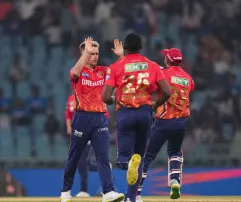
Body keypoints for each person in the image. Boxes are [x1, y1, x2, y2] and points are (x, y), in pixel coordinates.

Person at [102, 33, 171, 202]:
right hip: (145, 113)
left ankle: (128, 165)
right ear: (141, 47)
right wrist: (156, 104)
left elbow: (105, 97)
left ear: (125, 48)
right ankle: (132, 198)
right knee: (138, 156)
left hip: (125, 113)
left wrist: (116, 98)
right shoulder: (153, 66)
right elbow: (167, 92)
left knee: (124, 160)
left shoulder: (116, 67)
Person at [60, 37, 124, 202]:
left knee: (103, 157)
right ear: (84, 54)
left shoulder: (103, 71)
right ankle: (65, 191)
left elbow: (123, 73)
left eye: (96, 53)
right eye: (91, 53)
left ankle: (108, 192)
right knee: (74, 157)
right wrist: (85, 52)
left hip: (100, 118)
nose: (95, 56)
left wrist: (120, 57)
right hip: (82, 118)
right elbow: (74, 73)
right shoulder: (77, 71)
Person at [136, 48, 195, 202]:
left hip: (163, 121)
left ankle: (136, 192)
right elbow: (190, 88)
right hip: (181, 123)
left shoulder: (163, 74)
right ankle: (175, 180)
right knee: (175, 151)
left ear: (168, 59)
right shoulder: (188, 79)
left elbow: (152, 84)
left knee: (146, 157)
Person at [65, 93, 112, 197]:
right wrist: (69, 128)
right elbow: (68, 114)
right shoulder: (71, 98)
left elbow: (105, 115)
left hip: (92, 132)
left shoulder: (95, 96)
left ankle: (99, 189)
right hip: (78, 133)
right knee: (82, 162)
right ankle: (84, 190)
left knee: (88, 160)